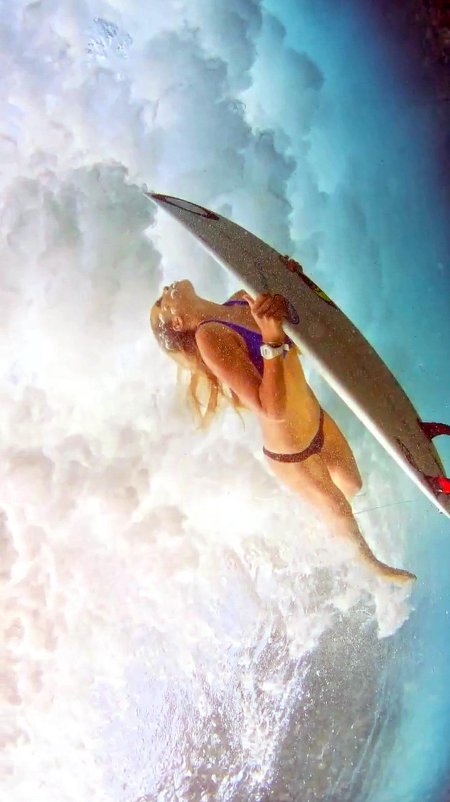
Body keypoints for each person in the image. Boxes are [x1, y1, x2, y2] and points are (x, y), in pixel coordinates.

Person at [149, 259, 416, 583]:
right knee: (342, 515)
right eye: (162, 302)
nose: (165, 290)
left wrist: (291, 283)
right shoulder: (211, 337)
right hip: (292, 451)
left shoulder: (241, 300)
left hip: (316, 418)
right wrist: (272, 337)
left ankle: (322, 529)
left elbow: (300, 328)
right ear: (178, 322)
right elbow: (270, 408)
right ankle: (373, 569)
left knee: (352, 485)